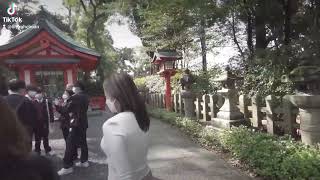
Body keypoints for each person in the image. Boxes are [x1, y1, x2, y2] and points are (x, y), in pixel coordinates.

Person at [101, 72, 153, 180]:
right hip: (146, 174)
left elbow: (125, 176)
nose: (106, 101)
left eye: (106, 97)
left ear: (115, 99)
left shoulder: (112, 125)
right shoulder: (142, 117)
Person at [0, 97, 60, 180]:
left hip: (42, 124)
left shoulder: (44, 102)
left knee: (44, 137)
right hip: (36, 126)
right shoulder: (36, 165)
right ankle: (38, 149)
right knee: (38, 139)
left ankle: (46, 149)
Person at [58, 81, 90, 175]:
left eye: (73, 87)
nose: (72, 89)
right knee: (83, 142)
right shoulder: (86, 96)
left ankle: (67, 166)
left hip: (75, 123)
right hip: (83, 123)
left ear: (77, 88)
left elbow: (65, 110)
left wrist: (57, 105)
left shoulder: (75, 97)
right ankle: (84, 161)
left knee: (70, 143)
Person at [4, 79, 37, 149]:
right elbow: (33, 120)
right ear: (21, 89)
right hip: (23, 136)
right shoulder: (27, 101)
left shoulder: (3, 101)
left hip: (6, 136)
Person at [34, 87, 54, 155]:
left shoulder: (47, 102)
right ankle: (37, 150)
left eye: (40, 93)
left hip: (45, 122)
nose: (38, 95)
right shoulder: (33, 102)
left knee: (45, 137)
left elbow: (51, 111)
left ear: (42, 94)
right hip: (36, 123)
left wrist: (51, 120)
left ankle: (47, 149)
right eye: (37, 93)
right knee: (37, 138)